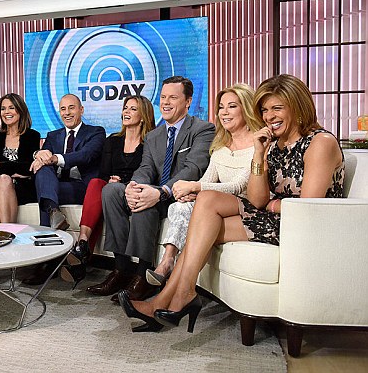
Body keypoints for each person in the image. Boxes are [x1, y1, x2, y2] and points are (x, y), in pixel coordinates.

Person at [122, 74, 345, 333]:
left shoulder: (320, 142)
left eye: (277, 108)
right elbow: (257, 198)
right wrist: (259, 154)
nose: (270, 116)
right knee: (205, 206)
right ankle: (176, 297)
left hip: (303, 226)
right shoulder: (272, 144)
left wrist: (272, 204)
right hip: (275, 218)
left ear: (297, 106)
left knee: (203, 225)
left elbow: (308, 208)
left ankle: (172, 299)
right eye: (264, 110)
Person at [87, 76, 215, 302]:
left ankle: (143, 274)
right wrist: (134, 186)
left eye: (173, 97)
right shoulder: (154, 135)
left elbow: (193, 169)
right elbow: (145, 167)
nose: (165, 102)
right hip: (154, 190)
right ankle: (121, 268)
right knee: (111, 191)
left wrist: (161, 191)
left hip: (179, 196)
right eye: (163, 97)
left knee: (147, 201)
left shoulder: (202, 129)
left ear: (188, 101)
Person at [145, 84, 263, 287]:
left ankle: (177, 280)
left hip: (241, 206)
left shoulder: (258, 144)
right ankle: (167, 261)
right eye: (221, 107)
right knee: (180, 205)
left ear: (246, 108)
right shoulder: (221, 144)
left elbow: (237, 186)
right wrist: (192, 191)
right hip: (214, 202)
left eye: (232, 106)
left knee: (197, 199)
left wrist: (196, 188)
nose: (224, 112)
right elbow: (207, 181)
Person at [60, 95, 155, 287]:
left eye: (132, 109)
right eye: (125, 108)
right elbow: (103, 173)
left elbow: (151, 171)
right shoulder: (113, 140)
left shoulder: (151, 142)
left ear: (143, 115)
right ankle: (83, 242)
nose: (126, 112)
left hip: (136, 190)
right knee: (97, 183)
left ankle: (101, 262)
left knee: (112, 189)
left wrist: (125, 182)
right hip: (112, 190)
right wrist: (111, 179)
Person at [25, 93, 106, 285]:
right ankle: (54, 212)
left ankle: (46, 262)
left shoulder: (96, 132)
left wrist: (54, 158)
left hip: (82, 188)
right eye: (63, 109)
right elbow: (44, 158)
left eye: (71, 108)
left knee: (45, 179)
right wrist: (39, 154)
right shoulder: (53, 136)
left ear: (81, 110)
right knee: (43, 171)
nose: (67, 113)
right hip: (56, 189)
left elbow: (86, 155)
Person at [0, 93, 40, 222]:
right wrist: (14, 170)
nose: (6, 112)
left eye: (11, 108)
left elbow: (29, 167)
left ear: (20, 110)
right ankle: (8, 229)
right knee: (3, 180)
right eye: (3, 109)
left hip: (22, 188)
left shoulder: (32, 136)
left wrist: (2, 165)